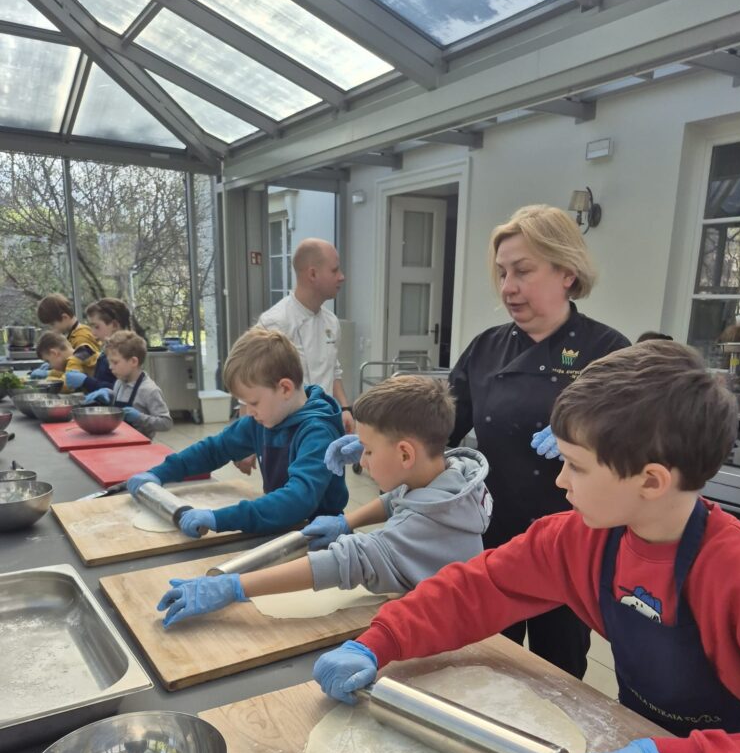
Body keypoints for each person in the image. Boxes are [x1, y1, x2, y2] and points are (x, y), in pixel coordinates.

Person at [313, 341, 740, 753]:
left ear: (651, 481)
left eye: (577, 465)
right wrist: (381, 640)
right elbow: (478, 588)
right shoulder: (580, 540)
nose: (560, 481)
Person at [332, 206, 629, 679]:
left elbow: (639, 450)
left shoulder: (608, 352)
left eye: (523, 271)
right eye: (502, 273)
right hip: (488, 532)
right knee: (485, 662)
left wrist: (593, 436)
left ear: (567, 272)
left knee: (557, 671)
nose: (508, 287)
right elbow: (437, 428)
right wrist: (378, 442)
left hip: (570, 544)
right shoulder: (487, 348)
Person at [156, 375, 492, 627]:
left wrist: (235, 586)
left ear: (405, 454)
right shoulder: (450, 477)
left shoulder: (419, 527)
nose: (362, 460)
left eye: (368, 451)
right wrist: (347, 521)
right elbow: (397, 499)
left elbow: (345, 561)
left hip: (448, 631)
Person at [126, 327, 348, 538]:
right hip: (283, 526)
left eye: (254, 402)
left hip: (322, 538)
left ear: (285, 388)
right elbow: (214, 449)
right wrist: (160, 473)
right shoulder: (264, 419)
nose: (249, 412)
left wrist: (219, 518)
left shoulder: (317, 433)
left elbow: (297, 500)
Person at [258, 238, 354, 434]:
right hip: (287, 430)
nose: (342, 277)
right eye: (334, 270)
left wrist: (345, 408)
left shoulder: (331, 322)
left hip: (325, 422)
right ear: (313, 274)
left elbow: (333, 370)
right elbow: (253, 383)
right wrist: (248, 441)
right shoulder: (274, 323)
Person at [84, 331, 171, 439]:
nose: (110, 367)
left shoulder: (149, 390)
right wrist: (109, 395)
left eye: (115, 362)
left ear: (133, 361)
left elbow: (166, 423)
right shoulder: (119, 382)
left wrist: (139, 417)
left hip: (139, 445)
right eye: (109, 362)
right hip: (119, 440)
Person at [65, 298, 145, 394]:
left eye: (97, 327)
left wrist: (86, 381)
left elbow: (124, 390)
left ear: (114, 325)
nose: (93, 333)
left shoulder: (127, 353)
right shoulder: (106, 351)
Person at [29, 293, 99, 381]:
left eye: (52, 324)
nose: (52, 330)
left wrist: (50, 374)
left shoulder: (81, 338)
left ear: (64, 317)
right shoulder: (73, 334)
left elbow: (80, 374)